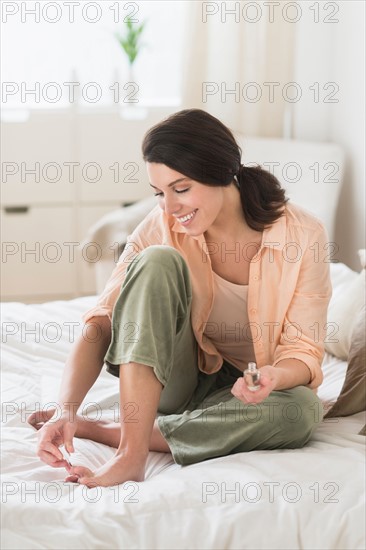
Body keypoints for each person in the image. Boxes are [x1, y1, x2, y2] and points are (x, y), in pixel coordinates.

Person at [28, 109, 332, 488]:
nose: (170, 207)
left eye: (181, 189)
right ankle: (130, 453)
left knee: (302, 411)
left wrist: (273, 376)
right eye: (159, 193)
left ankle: (111, 430)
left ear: (222, 172)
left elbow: (303, 351)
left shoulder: (303, 234)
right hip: (177, 381)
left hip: (250, 395)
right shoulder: (161, 226)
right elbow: (103, 320)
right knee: (155, 260)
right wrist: (67, 409)